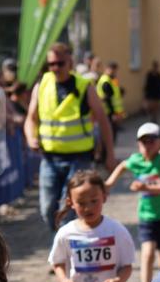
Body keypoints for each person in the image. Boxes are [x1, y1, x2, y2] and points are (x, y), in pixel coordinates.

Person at [24, 43, 115, 240]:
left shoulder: (84, 87)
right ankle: (63, 244)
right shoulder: (42, 85)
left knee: (69, 209)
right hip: (49, 159)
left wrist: (110, 155)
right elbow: (31, 118)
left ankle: (68, 254)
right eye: (51, 64)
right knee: (47, 208)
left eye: (60, 63)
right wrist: (31, 137)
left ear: (70, 62)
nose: (55, 68)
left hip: (79, 159)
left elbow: (103, 121)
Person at [105, 122, 160, 282]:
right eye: (143, 142)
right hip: (146, 216)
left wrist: (146, 187)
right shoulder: (136, 160)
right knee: (147, 254)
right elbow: (123, 165)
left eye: (151, 141)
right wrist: (109, 183)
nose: (147, 145)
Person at [96, 61, 125, 144]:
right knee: (109, 135)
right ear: (108, 69)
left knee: (112, 134)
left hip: (112, 112)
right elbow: (108, 98)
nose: (115, 72)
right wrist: (113, 113)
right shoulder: (106, 81)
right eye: (113, 70)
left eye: (115, 70)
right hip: (108, 112)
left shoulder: (112, 79)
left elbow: (114, 93)